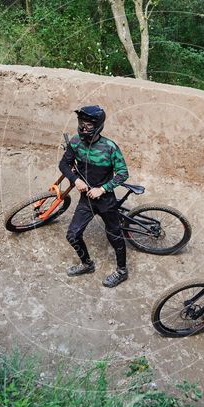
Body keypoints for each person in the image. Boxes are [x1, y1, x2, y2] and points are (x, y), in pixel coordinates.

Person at [59, 105, 130, 288]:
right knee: (72, 235)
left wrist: (103, 188)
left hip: (105, 201)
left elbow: (122, 173)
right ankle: (87, 264)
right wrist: (75, 180)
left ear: (97, 125)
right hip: (86, 200)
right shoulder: (75, 143)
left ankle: (122, 271)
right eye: (81, 123)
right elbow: (64, 165)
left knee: (114, 236)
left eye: (88, 124)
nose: (83, 127)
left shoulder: (110, 147)